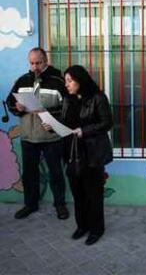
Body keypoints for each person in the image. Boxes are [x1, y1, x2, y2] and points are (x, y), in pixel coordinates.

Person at [6, 47, 69, 220]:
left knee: (56, 173)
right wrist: (17, 107)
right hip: (28, 137)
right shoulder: (22, 80)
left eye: (38, 63)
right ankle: (30, 205)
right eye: (32, 63)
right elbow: (11, 101)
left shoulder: (58, 80)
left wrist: (47, 112)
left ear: (45, 61)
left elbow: (68, 108)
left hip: (52, 137)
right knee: (29, 174)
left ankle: (60, 205)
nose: (34, 67)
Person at [56, 65, 112, 245]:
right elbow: (65, 122)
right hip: (71, 152)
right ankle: (82, 226)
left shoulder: (98, 98)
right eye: (66, 81)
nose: (67, 85)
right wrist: (53, 126)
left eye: (70, 81)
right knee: (77, 193)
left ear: (81, 80)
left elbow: (107, 123)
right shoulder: (67, 99)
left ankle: (96, 229)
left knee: (93, 194)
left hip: (91, 153)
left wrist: (84, 131)